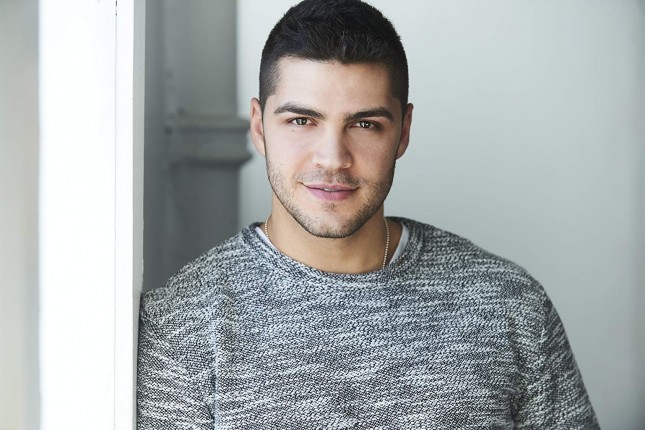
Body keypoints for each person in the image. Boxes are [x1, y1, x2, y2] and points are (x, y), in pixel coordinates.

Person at [137, 0, 599, 428]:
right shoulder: (183, 323)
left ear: (403, 132)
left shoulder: (509, 304)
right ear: (259, 127)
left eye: (365, 124)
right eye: (302, 121)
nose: (333, 158)